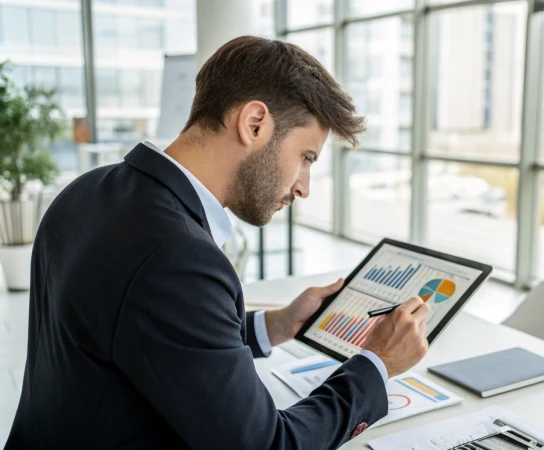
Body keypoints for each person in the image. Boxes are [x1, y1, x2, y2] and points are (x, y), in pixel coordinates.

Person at [6, 36, 430, 450]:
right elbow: (267, 443)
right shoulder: (177, 256)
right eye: (306, 157)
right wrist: (377, 364)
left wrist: (276, 324)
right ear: (254, 123)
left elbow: (154, 333)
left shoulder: (87, 190)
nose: (304, 188)